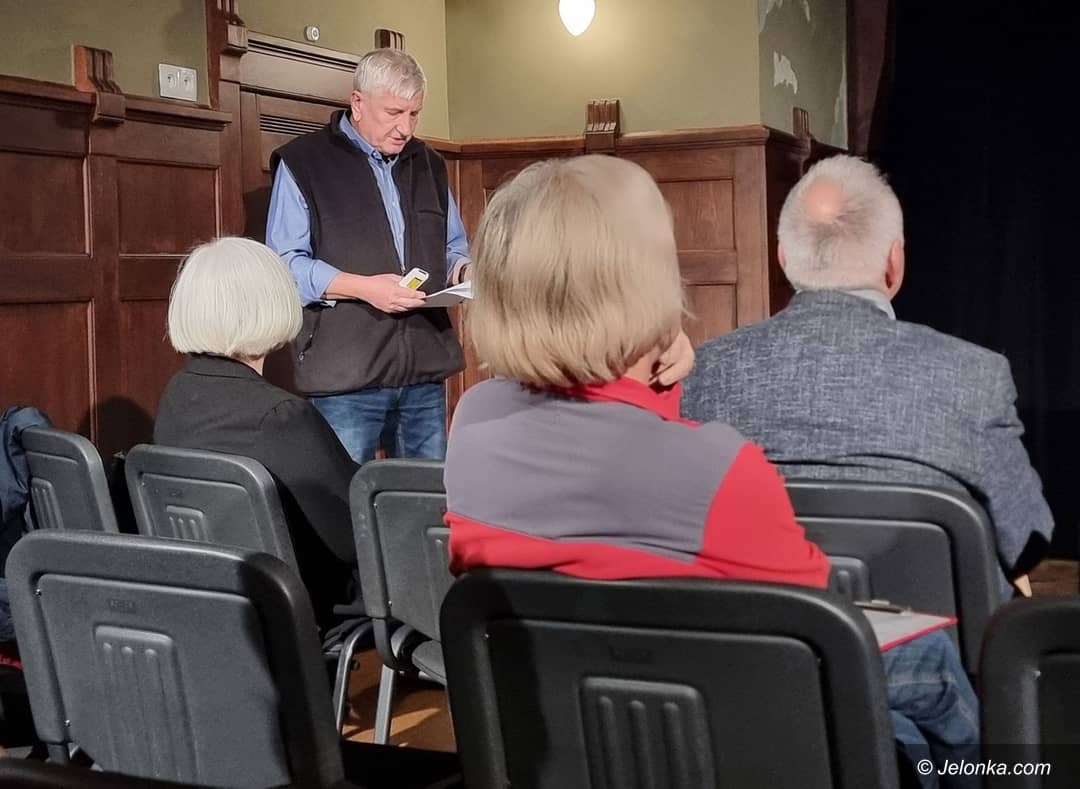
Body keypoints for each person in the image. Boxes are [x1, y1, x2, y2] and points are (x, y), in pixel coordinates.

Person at [444, 155, 978, 786]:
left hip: (563, 742)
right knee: (932, 673)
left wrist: (656, 363)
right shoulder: (720, 470)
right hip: (730, 743)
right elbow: (818, 637)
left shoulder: (472, 420)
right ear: (647, 286)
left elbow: (616, 449)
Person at [682, 154, 1053, 600]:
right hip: (932, 644)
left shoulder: (706, 371)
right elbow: (1028, 539)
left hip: (760, 640)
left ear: (782, 257)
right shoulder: (974, 377)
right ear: (894, 262)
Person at [267, 48, 468, 464]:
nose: (405, 128)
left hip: (424, 370)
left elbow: (451, 248)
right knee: (342, 495)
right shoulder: (304, 162)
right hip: (345, 376)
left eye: (414, 114)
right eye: (394, 112)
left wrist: (465, 271)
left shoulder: (429, 164)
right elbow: (284, 264)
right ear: (357, 103)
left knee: (424, 496)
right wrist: (362, 288)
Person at [154, 237, 358, 629]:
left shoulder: (178, 394)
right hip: (295, 606)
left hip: (212, 602)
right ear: (273, 303)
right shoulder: (281, 416)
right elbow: (352, 535)